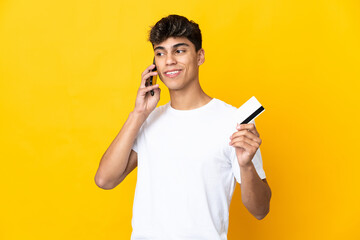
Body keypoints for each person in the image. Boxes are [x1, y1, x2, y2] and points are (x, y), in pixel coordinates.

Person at [95, 14, 272, 239]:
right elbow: (105, 180)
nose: (169, 60)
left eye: (179, 51)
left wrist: (246, 166)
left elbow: (260, 210)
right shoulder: (148, 120)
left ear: (199, 56)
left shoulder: (234, 121)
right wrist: (138, 113)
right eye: (160, 53)